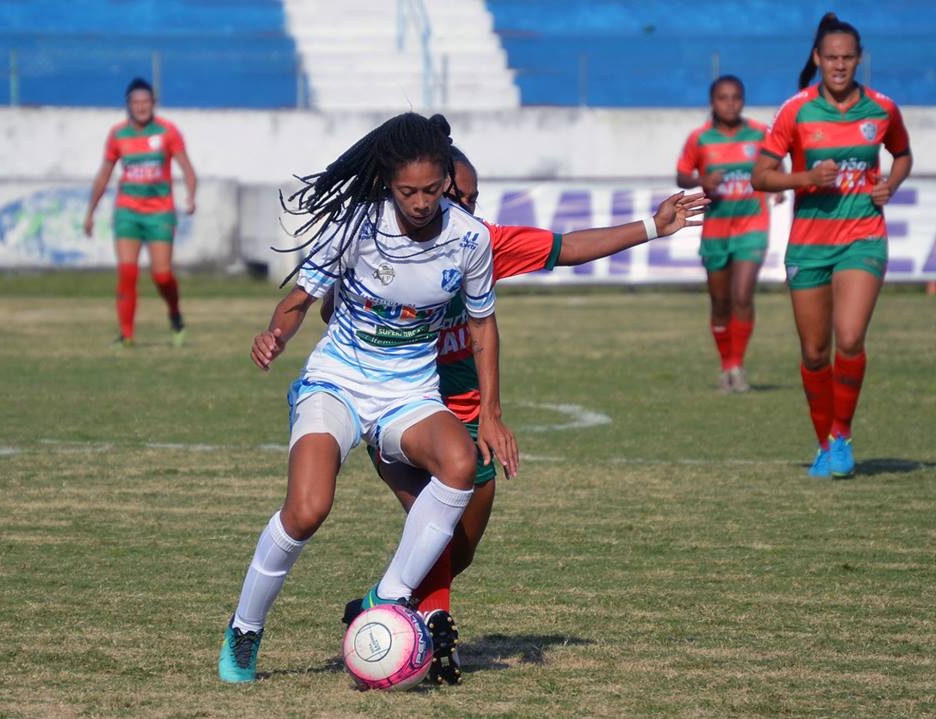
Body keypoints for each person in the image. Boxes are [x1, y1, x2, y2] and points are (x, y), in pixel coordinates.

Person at [337, 146, 709, 684]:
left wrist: (654, 225)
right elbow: (332, 303)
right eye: (455, 194)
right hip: (399, 405)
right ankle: (433, 627)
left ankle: (377, 603)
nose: (464, 205)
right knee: (433, 533)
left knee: (457, 548)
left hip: (468, 413)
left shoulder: (478, 242)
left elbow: (566, 247)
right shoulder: (382, 243)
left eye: (472, 197)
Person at [218, 113, 519, 683]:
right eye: (409, 191)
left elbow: (484, 328)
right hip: (337, 383)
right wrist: (275, 334)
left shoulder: (469, 239)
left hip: (409, 393)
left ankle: (390, 594)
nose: (422, 202)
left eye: (433, 189)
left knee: (460, 462)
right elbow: (301, 299)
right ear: (387, 182)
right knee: (308, 509)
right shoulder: (356, 225)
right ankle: (245, 629)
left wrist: (493, 416)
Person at [751, 13, 912, 478]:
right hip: (808, 244)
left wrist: (891, 186)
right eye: (832, 58)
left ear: (859, 60)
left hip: (863, 237)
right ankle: (824, 441)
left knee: (850, 337)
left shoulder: (882, 109)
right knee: (815, 352)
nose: (840, 66)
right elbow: (762, 176)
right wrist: (804, 177)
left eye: (848, 58)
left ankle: (841, 434)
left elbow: (902, 153)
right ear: (817, 59)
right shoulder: (796, 110)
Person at [677, 75, 780, 393]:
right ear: (713, 102)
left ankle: (737, 366)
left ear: (743, 100)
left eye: (736, 97)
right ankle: (725, 367)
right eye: (723, 97)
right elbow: (682, 175)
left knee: (742, 295)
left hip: (752, 226)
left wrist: (778, 185)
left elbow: (776, 162)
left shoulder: (760, 133)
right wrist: (701, 181)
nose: (730, 103)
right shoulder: (700, 138)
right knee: (720, 303)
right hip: (716, 229)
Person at [83, 77, 197, 347]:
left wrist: (191, 196)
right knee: (127, 272)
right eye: (136, 102)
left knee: (161, 275)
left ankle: (175, 314)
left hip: (160, 214)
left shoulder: (167, 132)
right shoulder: (118, 135)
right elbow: (103, 176)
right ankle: (127, 335)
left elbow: (188, 171)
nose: (141, 106)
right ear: (128, 105)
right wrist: (90, 212)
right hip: (127, 213)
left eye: (146, 101)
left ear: (153, 103)